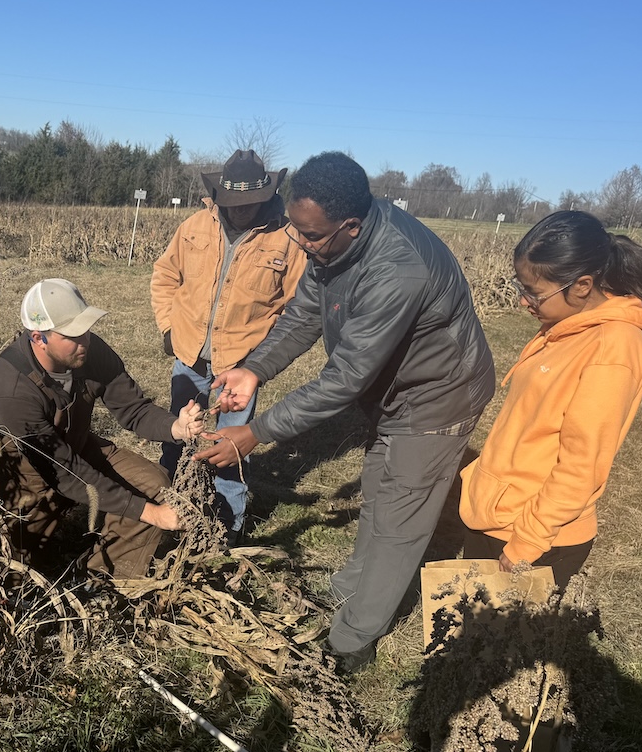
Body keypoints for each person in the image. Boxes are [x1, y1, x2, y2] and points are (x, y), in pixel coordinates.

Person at [194, 151, 496, 672]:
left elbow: (345, 378)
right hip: (392, 393)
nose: (303, 246)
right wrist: (255, 369)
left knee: (401, 519)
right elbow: (307, 311)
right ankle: (351, 592)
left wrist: (258, 431)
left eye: (311, 237)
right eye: (296, 231)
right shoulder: (329, 243)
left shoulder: (397, 269)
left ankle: (353, 641)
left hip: (436, 398)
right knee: (380, 491)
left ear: (351, 226)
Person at [459, 210, 642, 588]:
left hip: (532, 533)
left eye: (534, 293)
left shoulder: (611, 349)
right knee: (471, 637)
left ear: (582, 285)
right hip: (500, 512)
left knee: (499, 644)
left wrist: (526, 543)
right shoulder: (564, 328)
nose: (524, 302)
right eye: (520, 286)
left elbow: (582, 465)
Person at [0, 278, 205, 580]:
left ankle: (105, 580)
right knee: (14, 570)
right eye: (72, 335)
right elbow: (66, 473)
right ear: (38, 337)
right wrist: (152, 514)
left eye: (85, 330)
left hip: (76, 445)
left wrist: (176, 426)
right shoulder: (13, 391)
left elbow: (133, 409)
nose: (84, 340)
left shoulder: (88, 350)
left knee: (154, 483)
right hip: (25, 469)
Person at [150, 150, 307, 543]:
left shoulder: (287, 241)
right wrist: (169, 328)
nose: (239, 211)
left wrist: (259, 364)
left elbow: (298, 311)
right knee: (178, 435)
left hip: (240, 366)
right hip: (188, 355)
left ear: (266, 195)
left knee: (232, 448)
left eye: (248, 203)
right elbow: (165, 275)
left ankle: (224, 530)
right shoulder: (194, 227)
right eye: (232, 203)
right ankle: (166, 514)